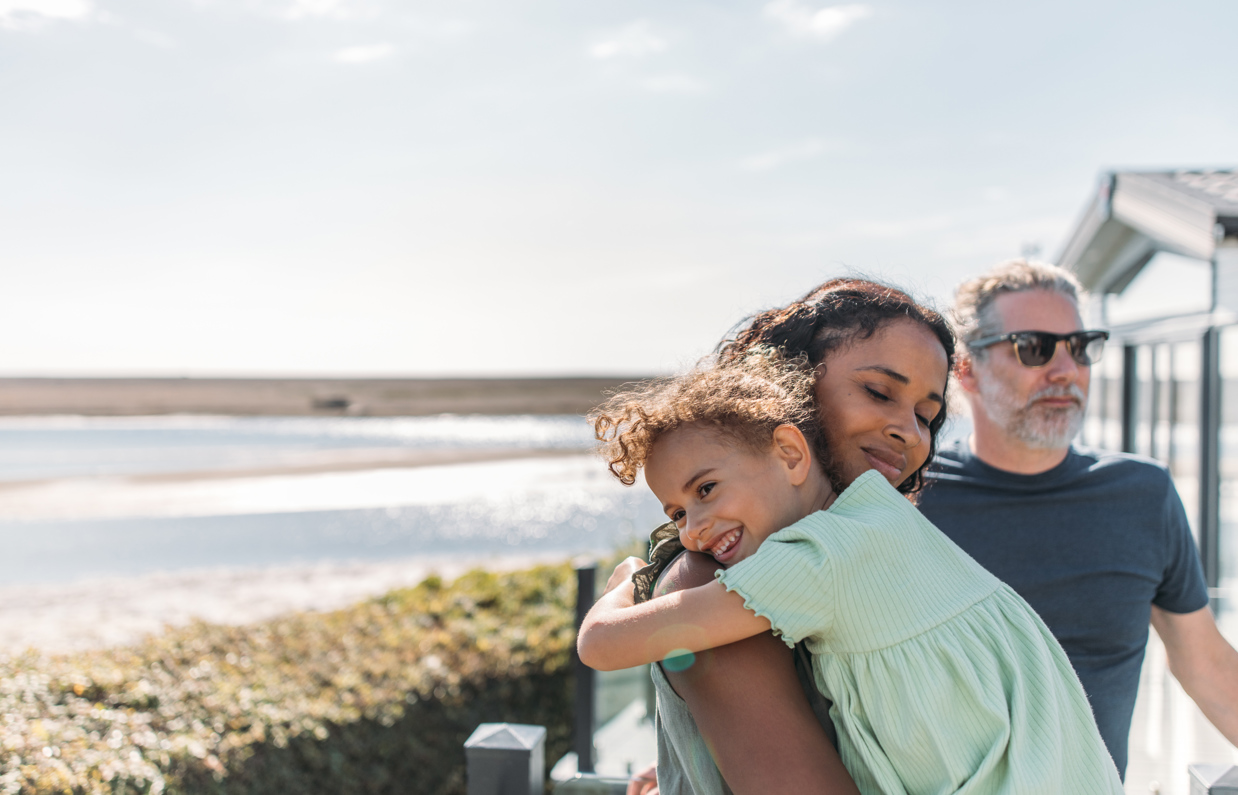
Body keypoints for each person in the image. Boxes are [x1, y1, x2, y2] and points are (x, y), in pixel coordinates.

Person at [580, 351, 1124, 794]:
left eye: (706, 490)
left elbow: (601, 645)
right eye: (675, 515)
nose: (692, 531)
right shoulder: (882, 522)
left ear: (792, 454)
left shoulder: (820, 560)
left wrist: (630, 581)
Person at [617, 277, 960, 795]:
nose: (910, 433)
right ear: (786, 388)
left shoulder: (843, 555)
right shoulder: (715, 575)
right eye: (878, 391)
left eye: (926, 416)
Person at [917, 259, 1238, 779]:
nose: (1065, 370)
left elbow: (1206, 665)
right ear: (967, 370)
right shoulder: (912, 500)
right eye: (1034, 348)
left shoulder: (1142, 495)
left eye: (1080, 347)